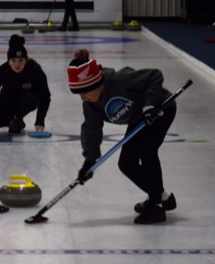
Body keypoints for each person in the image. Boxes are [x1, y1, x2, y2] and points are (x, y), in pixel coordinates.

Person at [67, 49, 177, 224]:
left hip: (160, 110)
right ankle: (162, 196)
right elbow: (91, 129)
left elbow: (154, 76)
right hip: (139, 118)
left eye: (84, 92)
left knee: (147, 150)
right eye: (79, 94)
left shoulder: (120, 79)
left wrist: (149, 105)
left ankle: (155, 207)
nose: (83, 98)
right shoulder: (91, 105)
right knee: (126, 163)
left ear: (96, 83)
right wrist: (89, 161)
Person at [0, 34, 51, 134]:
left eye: (21, 60)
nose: (17, 64)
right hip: (6, 101)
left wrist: (40, 121)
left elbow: (45, 96)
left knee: (30, 98)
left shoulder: (35, 70)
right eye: (13, 60)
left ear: (26, 60)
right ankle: (11, 121)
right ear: (8, 61)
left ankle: (17, 118)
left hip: (26, 101)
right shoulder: (3, 71)